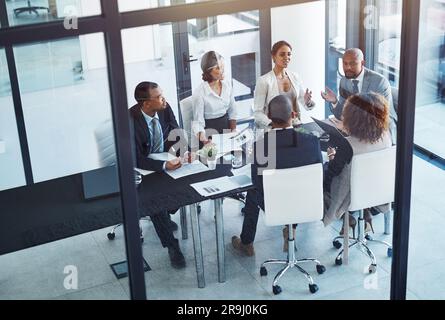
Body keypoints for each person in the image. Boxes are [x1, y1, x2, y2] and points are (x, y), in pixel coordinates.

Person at [232, 95, 322, 256]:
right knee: (297, 185)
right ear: (293, 115)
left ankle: (247, 243)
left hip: (275, 207)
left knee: (253, 191)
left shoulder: (261, 147)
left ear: (269, 117)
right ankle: (291, 227)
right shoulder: (312, 141)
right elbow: (318, 175)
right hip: (308, 203)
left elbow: (257, 185)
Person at [129, 81, 189, 269]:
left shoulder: (164, 107)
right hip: (142, 168)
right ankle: (172, 246)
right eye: (159, 97)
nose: (164, 99)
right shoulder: (129, 120)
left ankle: (166, 211)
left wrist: (182, 153)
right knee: (154, 202)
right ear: (146, 104)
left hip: (164, 159)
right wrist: (163, 165)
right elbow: (135, 158)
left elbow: (176, 131)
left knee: (185, 188)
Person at [323, 92, 393, 235]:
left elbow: (332, 174)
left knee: (323, 172)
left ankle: (347, 216)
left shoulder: (347, 146)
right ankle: (365, 215)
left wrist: (331, 159)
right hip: (378, 192)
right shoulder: (387, 135)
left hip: (351, 198)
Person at [321, 48, 397, 144]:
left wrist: (347, 128)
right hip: (357, 131)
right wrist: (335, 102)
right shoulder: (344, 81)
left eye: (352, 63)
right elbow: (344, 114)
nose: (348, 67)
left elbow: (378, 118)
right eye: (345, 63)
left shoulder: (379, 82)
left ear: (362, 63)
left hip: (381, 132)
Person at [254, 40, 316, 129]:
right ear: (273, 57)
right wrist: (272, 124)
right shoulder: (263, 81)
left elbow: (307, 105)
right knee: (273, 143)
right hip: (273, 128)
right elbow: (257, 113)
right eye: (282, 54)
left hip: (296, 126)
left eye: (289, 54)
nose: (286, 57)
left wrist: (307, 101)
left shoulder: (295, 76)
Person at [192, 51, 237, 146]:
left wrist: (233, 131)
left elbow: (232, 111)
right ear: (208, 71)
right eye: (218, 68)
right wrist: (205, 141)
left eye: (222, 66)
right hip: (209, 134)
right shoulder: (200, 92)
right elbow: (198, 123)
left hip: (227, 130)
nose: (222, 70)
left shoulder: (227, 85)